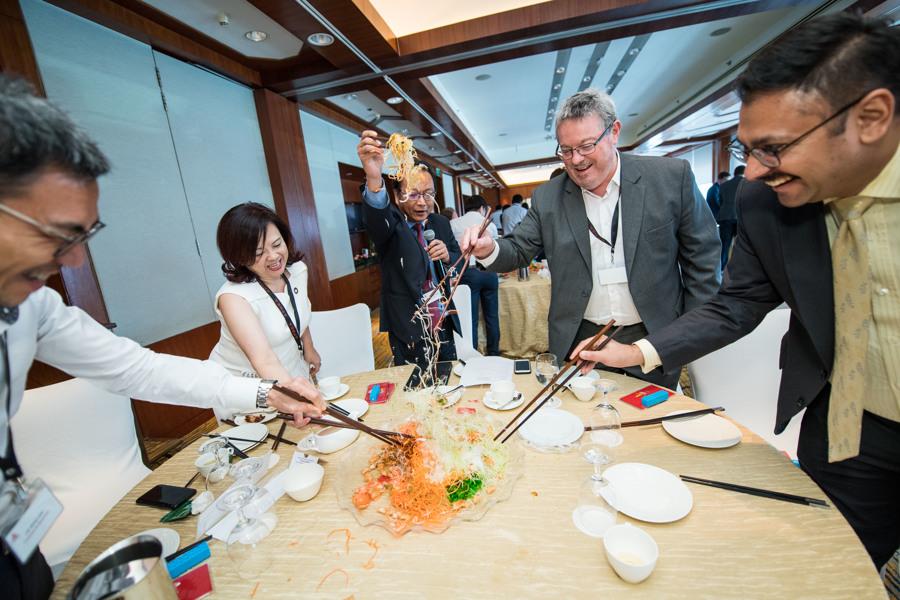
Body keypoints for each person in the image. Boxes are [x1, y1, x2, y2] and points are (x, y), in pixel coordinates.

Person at [572, 13, 899, 570]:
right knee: (829, 569)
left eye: (773, 148)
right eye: (748, 151)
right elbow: (739, 301)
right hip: (847, 425)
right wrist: (638, 352)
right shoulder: (766, 202)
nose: (751, 174)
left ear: (871, 118)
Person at [0, 76, 322, 599]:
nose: (74, 259)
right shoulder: (234, 296)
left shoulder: (34, 306)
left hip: (14, 539)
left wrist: (269, 393)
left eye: (85, 235)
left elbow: (139, 368)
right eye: (60, 233)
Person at [462, 88, 721, 388]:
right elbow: (518, 249)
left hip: (653, 336)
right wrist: (488, 248)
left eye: (586, 146)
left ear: (614, 132)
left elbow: (703, 258)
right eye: (566, 150)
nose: (576, 160)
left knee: (650, 414)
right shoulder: (548, 197)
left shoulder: (670, 178)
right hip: (580, 341)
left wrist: (687, 332)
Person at [356, 130, 461, 369]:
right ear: (396, 195)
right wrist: (374, 178)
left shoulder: (440, 223)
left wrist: (448, 256)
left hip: (442, 319)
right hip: (407, 325)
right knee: (414, 382)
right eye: (413, 194)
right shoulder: (391, 225)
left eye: (428, 194)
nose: (422, 202)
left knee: (448, 376)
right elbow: (377, 219)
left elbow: (458, 258)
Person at [209, 203, 322, 419]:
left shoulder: (298, 271)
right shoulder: (233, 298)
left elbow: (296, 313)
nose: (273, 256)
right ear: (239, 257)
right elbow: (263, 359)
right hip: (248, 389)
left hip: (288, 372)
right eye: (258, 253)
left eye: (277, 244)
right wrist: (291, 396)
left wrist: (309, 347)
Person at [450, 195, 500, 355]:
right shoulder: (488, 223)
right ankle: (493, 352)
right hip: (489, 272)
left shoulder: (454, 223)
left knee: (470, 318)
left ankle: (472, 355)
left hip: (468, 273)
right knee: (492, 316)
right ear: (482, 208)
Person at [716, 165, 745, 269]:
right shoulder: (747, 183)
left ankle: (720, 269)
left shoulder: (724, 185)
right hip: (740, 218)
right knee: (741, 246)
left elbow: (720, 201)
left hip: (725, 217)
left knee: (724, 245)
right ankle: (737, 269)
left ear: (734, 173)